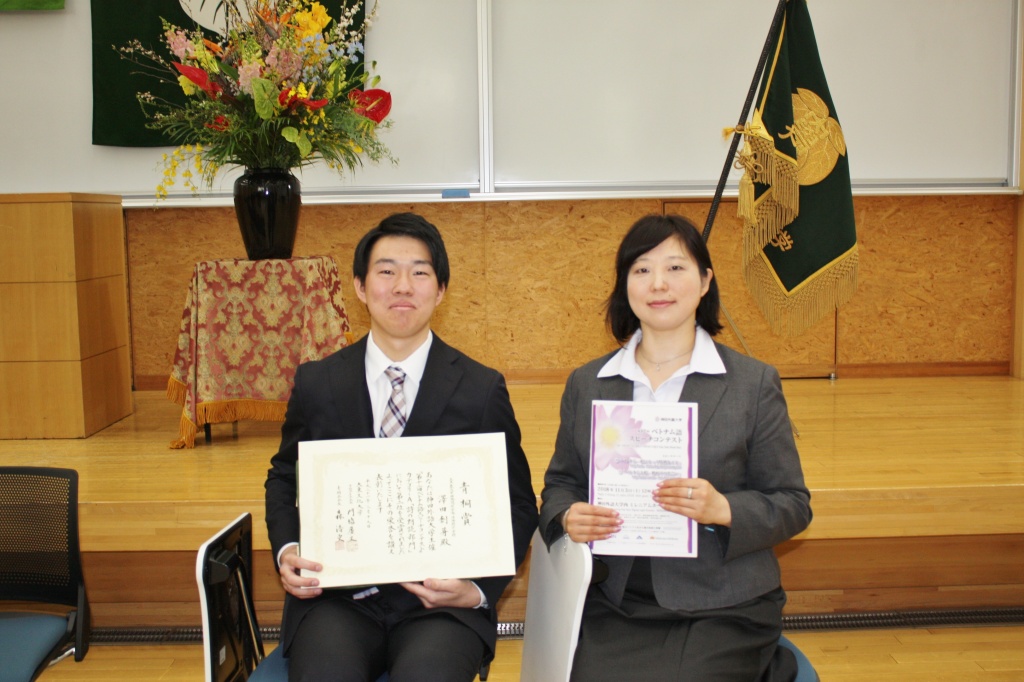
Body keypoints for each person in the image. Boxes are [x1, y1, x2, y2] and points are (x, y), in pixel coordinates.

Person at [265, 212, 538, 682]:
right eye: (387, 271)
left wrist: (474, 589)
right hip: (338, 601)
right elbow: (284, 476)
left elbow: (518, 505)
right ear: (360, 286)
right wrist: (288, 548)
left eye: (420, 272)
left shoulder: (480, 388)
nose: (403, 286)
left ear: (441, 290)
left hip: (440, 607)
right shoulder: (318, 381)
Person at [539, 214, 812, 682]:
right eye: (641, 269)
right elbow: (561, 483)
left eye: (676, 268)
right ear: (625, 284)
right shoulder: (589, 383)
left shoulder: (752, 383)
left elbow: (792, 505)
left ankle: (767, 665)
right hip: (617, 602)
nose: (658, 283)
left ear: (705, 281)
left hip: (724, 603)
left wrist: (723, 507)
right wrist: (567, 516)